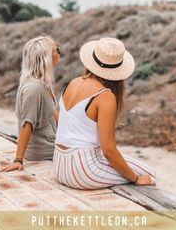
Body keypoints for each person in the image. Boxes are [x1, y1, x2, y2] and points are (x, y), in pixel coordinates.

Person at [53, 37, 156, 189]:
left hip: (59, 165)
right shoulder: (105, 96)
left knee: (135, 167)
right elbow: (108, 150)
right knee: (149, 174)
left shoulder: (73, 82)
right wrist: (135, 179)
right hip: (82, 172)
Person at [0, 34, 60, 172]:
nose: (58, 52)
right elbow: (27, 124)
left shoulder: (44, 83)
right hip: (44, 151)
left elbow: (54, 114)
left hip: (52, 143)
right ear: (45, 57)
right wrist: (18, 159)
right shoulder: (34, 88)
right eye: (56, 50)